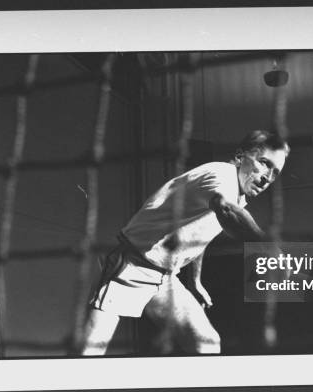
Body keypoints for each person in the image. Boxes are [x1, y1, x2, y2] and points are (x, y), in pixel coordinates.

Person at [82, 130, 289, 355]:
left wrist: (195, 281)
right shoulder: (221, 175)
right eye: (264, 163)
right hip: (131, 266)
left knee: (206, 343)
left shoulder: (238, 196)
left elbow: (198, 235)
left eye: (275, 172)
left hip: (165, 279)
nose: (267, 177)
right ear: (240, 157)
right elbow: (227, 210)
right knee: (90, 352)